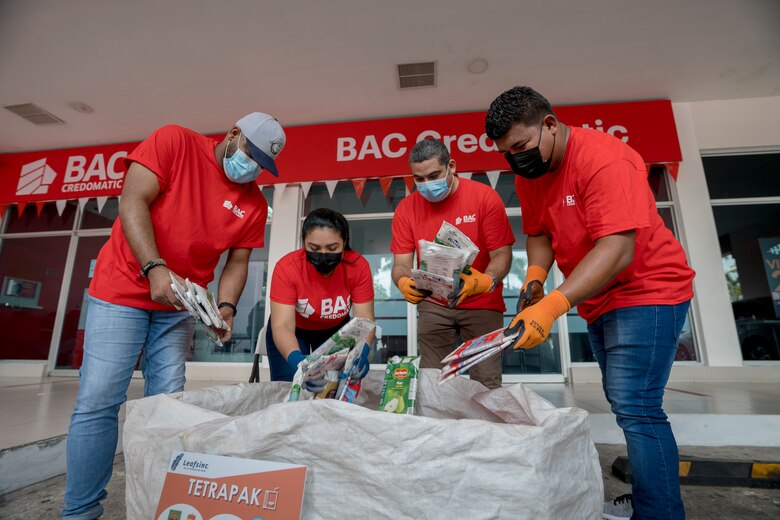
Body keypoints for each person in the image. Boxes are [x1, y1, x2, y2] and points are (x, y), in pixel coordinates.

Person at [62, 112, 286, 520]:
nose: (251, 168)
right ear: (233, 134)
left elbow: (237, 263)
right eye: (249, 155)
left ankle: (157, 503)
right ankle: (81, 511)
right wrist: (154, 267)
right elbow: (131, 199)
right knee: (99, 399)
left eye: (261, 166)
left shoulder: (252, 203)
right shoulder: (174, 142)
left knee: (168, 405)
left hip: (180, 307)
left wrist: (226, 308)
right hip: (121, 291)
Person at [485, 86, 695, 520]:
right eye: (507, 153)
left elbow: (618, 249)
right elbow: (540, 233)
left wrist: (553, 306)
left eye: (521, 146)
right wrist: (535, 280)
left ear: (549, 125)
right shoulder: (532, 174)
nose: (516, 159)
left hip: (648, 290)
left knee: (636, 405)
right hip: (598, 299)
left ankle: (659, 514)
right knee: (625, 402)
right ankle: (651, 501)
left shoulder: (604, 159)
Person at [391, 139, 514, 389]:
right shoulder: (406, 208)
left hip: (482, 302)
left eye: (434, 175)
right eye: (419, 179)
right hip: (433, 303)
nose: (427, 184)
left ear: (452, 166)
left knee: (486, 380)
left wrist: (486, 280)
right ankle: (439, 429)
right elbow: (401, 263)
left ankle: (483, 428)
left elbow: (502, 254)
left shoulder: (484, 197)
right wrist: (403, 281)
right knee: (433, 380)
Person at [267, 208, 374, 386]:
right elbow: (282, 325)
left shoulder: (358, 267)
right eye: (314, 248)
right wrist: (298, 364)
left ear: (344, 243)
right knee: (288, 386)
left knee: (333, 387)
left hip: (336, 330)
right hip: (293, 329)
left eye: (332, 248)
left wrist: (361, 352)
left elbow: (365, 319)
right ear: (304, 243)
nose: (323, 254)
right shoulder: (287, 268)